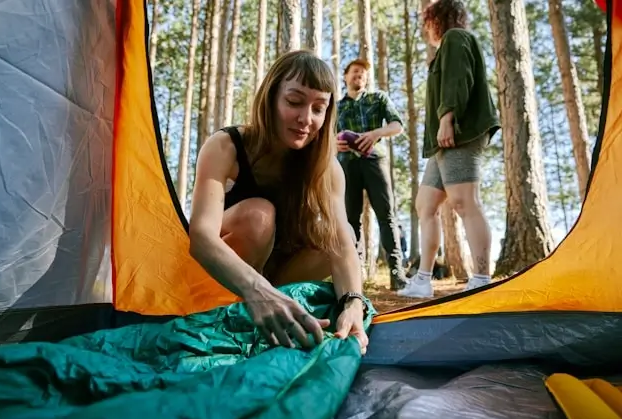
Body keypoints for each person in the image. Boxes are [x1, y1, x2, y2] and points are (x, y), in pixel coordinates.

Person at [188, 50, 369, 355]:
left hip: (276, 275)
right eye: (294, 102)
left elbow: (341, 244)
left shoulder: (327, 168)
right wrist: (255, 289)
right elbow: (201, 238)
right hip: (217, 280)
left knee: (345, 235)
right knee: (259, 216)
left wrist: (353, 303)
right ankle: (234, 311)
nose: (305, 119)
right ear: (271, 98)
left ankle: (272, 309)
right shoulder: (225, 146)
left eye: (318, 108)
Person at [398, 0, 501, 298]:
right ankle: (423, 280)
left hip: (459, 132)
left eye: (426, 20)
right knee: (425, 205)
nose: (424, 27)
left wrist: (447, 117)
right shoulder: (446, 46)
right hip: (443, 142)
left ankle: (481, 278)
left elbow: (458, 79)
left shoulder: (456, 37)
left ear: (437, 19)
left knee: (464, 202)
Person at [336, 58, 409, 290]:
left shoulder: (378, 98)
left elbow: (397, 126)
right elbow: (325, 137)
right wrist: (334, 144)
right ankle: (354, 276)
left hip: (375, 161)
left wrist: (375, 133)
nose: (359, 75)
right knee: (350, 219)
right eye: (355, 71)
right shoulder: (336, 107)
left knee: (387, 216)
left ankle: (397, 274)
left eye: (363, 73)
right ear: (345, 76)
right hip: (346, 165)